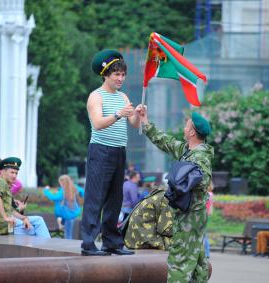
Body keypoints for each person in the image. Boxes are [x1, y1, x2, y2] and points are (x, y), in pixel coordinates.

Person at [138, 107, 214, 282]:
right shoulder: (188, 151)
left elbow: (203, 182)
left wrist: (179, 183)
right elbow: (166, 142)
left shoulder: (199, 156)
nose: (184, 129)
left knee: (179, 262)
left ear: (192, 132)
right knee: (198, 261)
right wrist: (145, 122)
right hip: (192, 217)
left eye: (186, 126)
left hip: (190, 217)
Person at [80, 49, 142, 256]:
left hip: (118, 151)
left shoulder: (123, 96)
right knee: (95, 197)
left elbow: (132, 123)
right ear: (105, 75)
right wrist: (118, 114)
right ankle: (88, 243)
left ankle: (111, 242)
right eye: (116, 74)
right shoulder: (96, 97)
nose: (120, 78)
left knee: (115, 198)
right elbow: (97, 124)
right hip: (100, 151)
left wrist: (139, 114)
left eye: (123, 74)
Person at [0, 157, 50, 238]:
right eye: (12, 172)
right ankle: (48, 248)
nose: (14, 176)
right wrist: (5, 217)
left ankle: (45, 247)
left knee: (36, 224)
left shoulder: (3, 184)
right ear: (3, 171)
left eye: (16, 173)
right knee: (35, 227)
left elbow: (9, 210)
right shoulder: (0, 182)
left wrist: (23, 218)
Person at [124, 186, 173, 250]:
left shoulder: (159, 194)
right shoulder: (166, 198)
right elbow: (165, 229)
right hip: (143, 240)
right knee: (180, 242)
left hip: (132, 240)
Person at [44, 175, 85, 239]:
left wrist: (46, 191)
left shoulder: (62, 191)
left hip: (66, 214)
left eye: (60, 183)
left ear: (63, 183)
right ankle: (61, 223)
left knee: (68, 235)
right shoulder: (74, 187)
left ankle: (67, 247)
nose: (60, 184)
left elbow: (54, 198)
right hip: (72, 213)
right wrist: (81, 195)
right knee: (68, 232)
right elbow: (82, 192)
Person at [204, 182, 214, 258]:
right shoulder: (211, 194)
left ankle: (206, 253)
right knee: (204, 234)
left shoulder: (206, 194)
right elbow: (211, 207)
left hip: (202, 215)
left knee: (203, 234)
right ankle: (207, 253)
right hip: (206, 215)